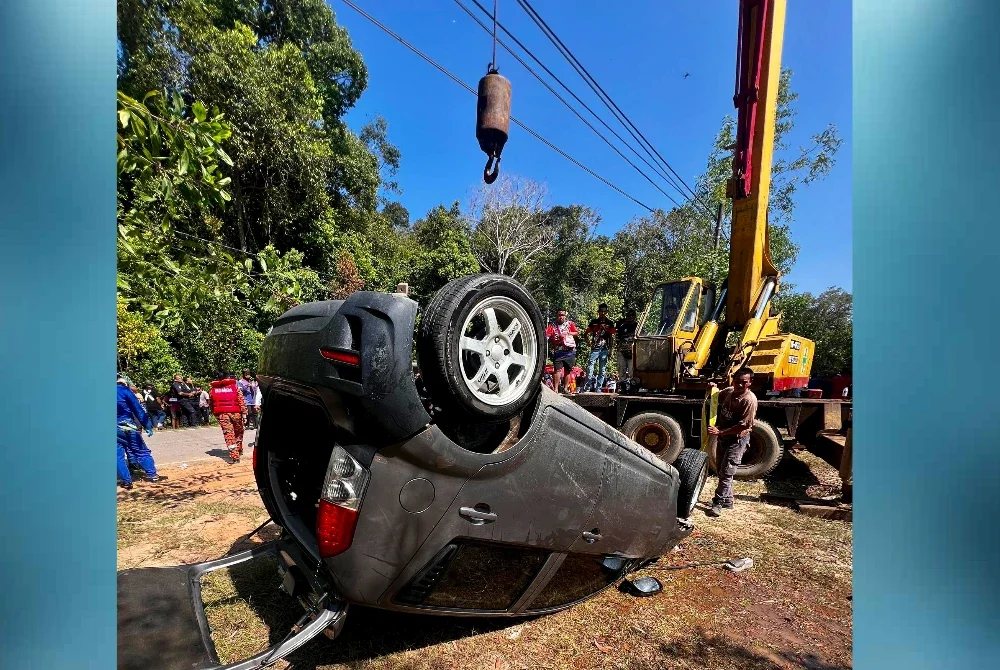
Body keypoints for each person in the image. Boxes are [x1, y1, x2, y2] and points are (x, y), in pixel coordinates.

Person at [706, 367, 758, 517]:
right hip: (724, 438)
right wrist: (712, 388)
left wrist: (720, 432)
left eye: (743, 382)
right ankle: (728, 500)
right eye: (737, 381)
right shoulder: (730, 391)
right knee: (722, 471)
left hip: (737, 440)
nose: (739, 385)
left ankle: (718, 503)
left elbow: (744, 425)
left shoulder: (749, 400)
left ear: (750, 383)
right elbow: (716, 396)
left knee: (728, 472)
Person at [117, 374, 163, 489]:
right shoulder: (124, 391)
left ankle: (127, 481)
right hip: (126, 425)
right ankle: (152, 475)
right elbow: (137, 409)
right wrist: (147, 425)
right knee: (141, 450)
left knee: (117, 456)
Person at [210, 371, 247, 464]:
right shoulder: (235, 387)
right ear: (228, 377)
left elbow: (211, 404)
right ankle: (238, 449)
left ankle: (235, 457)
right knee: (239, 432)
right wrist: (244, 415)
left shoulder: (213, 390)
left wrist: (215, 415)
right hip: (236, 413)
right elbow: (241, 401)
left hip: (222, 415)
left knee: (229, 434)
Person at [544, 310, 579, 393]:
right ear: (557, 315)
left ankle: (565, 389)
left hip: (570, 351)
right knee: (557, 370)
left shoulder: (570, 324)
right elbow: (546, 336)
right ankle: (555, 389)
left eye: (563, 315)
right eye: (559, 315)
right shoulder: (552, 326)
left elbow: (576, 333)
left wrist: (567, 333)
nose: (561, 317)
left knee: (568, 370)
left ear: (565, 316)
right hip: (558, 351)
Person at [584, 304, 616, 392]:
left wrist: (611, 350)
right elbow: (585, 333)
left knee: (602, 370)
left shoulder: (610, 323)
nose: (602, 313)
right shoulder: (594, 322)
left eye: (604, 311)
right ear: (598, 312)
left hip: (604, 349)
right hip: (595, 349)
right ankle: (587, 388)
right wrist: (589, 344)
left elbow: (612, 337)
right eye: (601, 311)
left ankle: (598, 388)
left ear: (606, 312)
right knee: (590, 368)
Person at [615, 309, 639, 382]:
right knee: (621, 368)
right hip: (622, 351)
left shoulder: (638, 326)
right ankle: (622, 385)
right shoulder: (622, 326)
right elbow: (617, 338)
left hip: (633, 351)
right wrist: (618, 348)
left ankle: (633, 384)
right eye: (629, 315)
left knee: (632, 370)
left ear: (635, 316)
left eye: (632, 315)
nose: (630, 317)